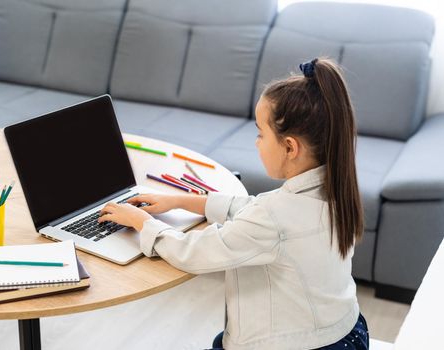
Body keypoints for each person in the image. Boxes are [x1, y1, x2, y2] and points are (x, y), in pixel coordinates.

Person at [99, 57, 369, 350]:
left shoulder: (274, 217)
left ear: (290, 147)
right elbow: (253, 210)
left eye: (260, 133)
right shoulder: (336, 190)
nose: (256, 143)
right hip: (347, 333)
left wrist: (142, 223)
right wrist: (180, 200)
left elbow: (195, 253)